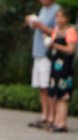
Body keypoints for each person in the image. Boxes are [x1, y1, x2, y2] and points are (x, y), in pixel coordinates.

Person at [26, 0, 59, 129]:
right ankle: (44, 115)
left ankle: (52, 117)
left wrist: (40, 26)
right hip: (38, 52)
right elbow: (38, 28)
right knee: (41, 87)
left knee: (48, 86)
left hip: (47, 54)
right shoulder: (43, 9)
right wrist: (32, 23)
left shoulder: (56, 10)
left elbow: (58, 32)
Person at [45, 6, 76, 133]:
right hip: (55, 68)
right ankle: (57, 121)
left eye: (62, 16)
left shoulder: (70, 31)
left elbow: (70, 49)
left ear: (67, 18)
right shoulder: (56, 31)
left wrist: (55, 45)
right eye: (57, 16)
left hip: (65, 68)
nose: (59, 19)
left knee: (63, 96)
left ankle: (62, 123)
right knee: (56, 95)